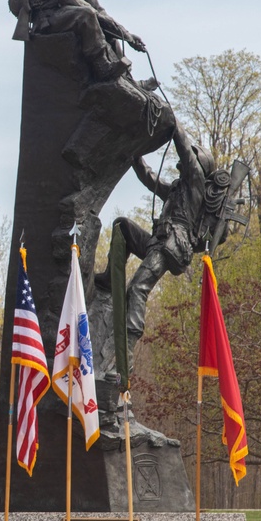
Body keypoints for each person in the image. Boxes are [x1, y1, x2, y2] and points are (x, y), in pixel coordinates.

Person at [101, 123, 216, 365]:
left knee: (137, 289)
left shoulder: (197, 185)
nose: (182, 164)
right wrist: (134, 152)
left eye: (190, 161)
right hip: (158, 242)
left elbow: (185, 149)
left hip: (171, 246)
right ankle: (109, 278)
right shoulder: (177, 189)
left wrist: (173, 125)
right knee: (122, 226)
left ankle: (126, 356)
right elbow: (149, 178)